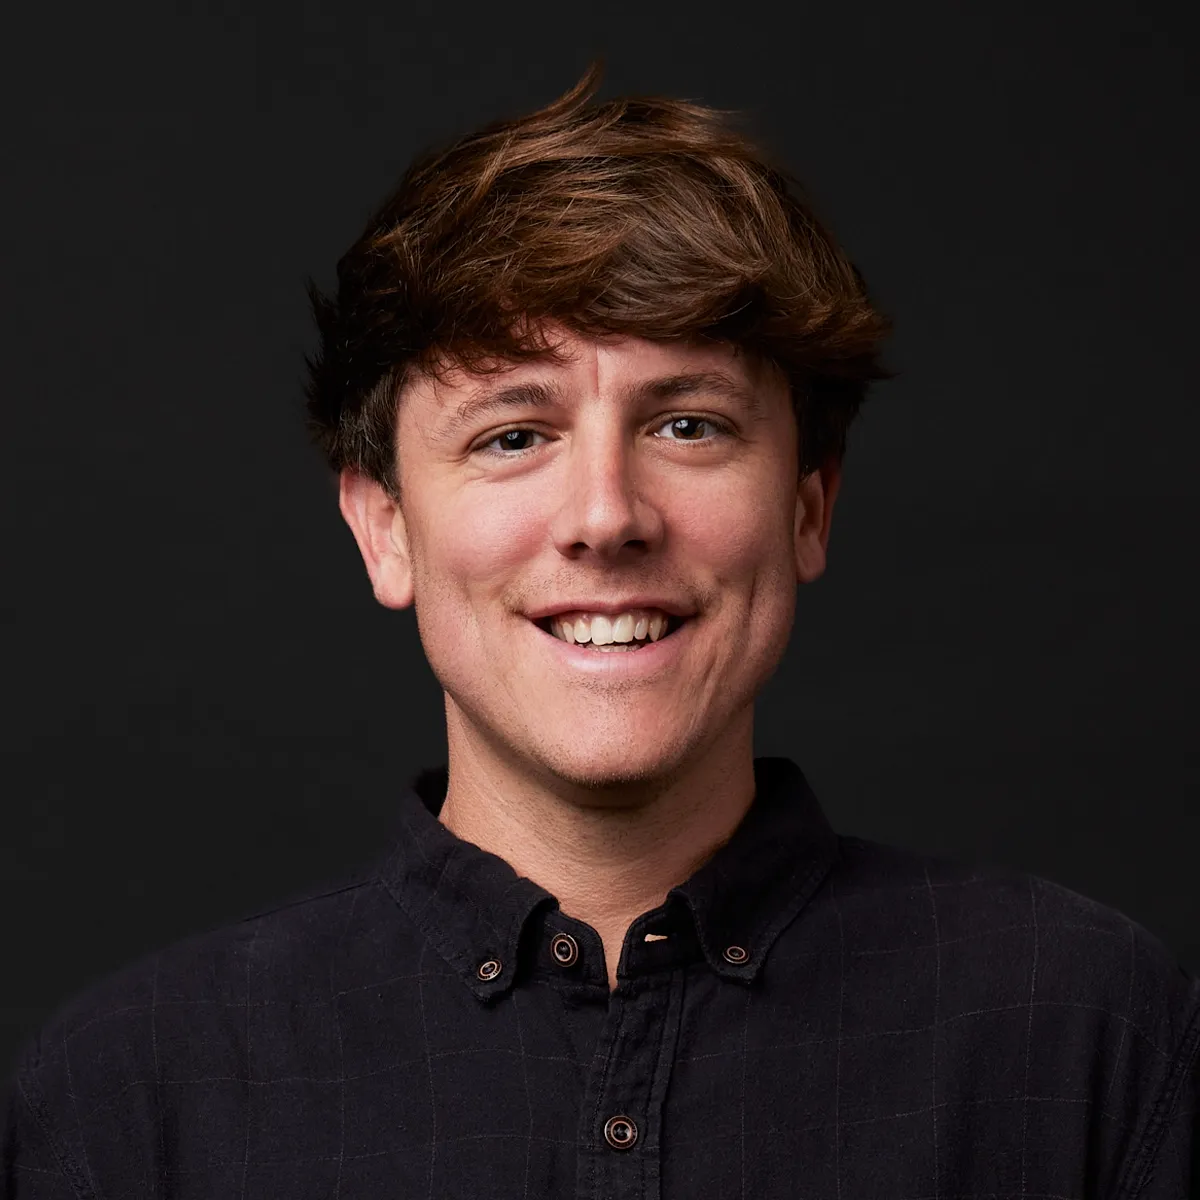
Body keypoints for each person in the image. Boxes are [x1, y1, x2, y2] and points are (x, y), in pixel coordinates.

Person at [3, 63, 1196, 1200]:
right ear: (385, 529)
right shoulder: (131, 1100)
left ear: (809, 507)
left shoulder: (1086, 1035)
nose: (607, 516)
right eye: (513, 436)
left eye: (688, 425)